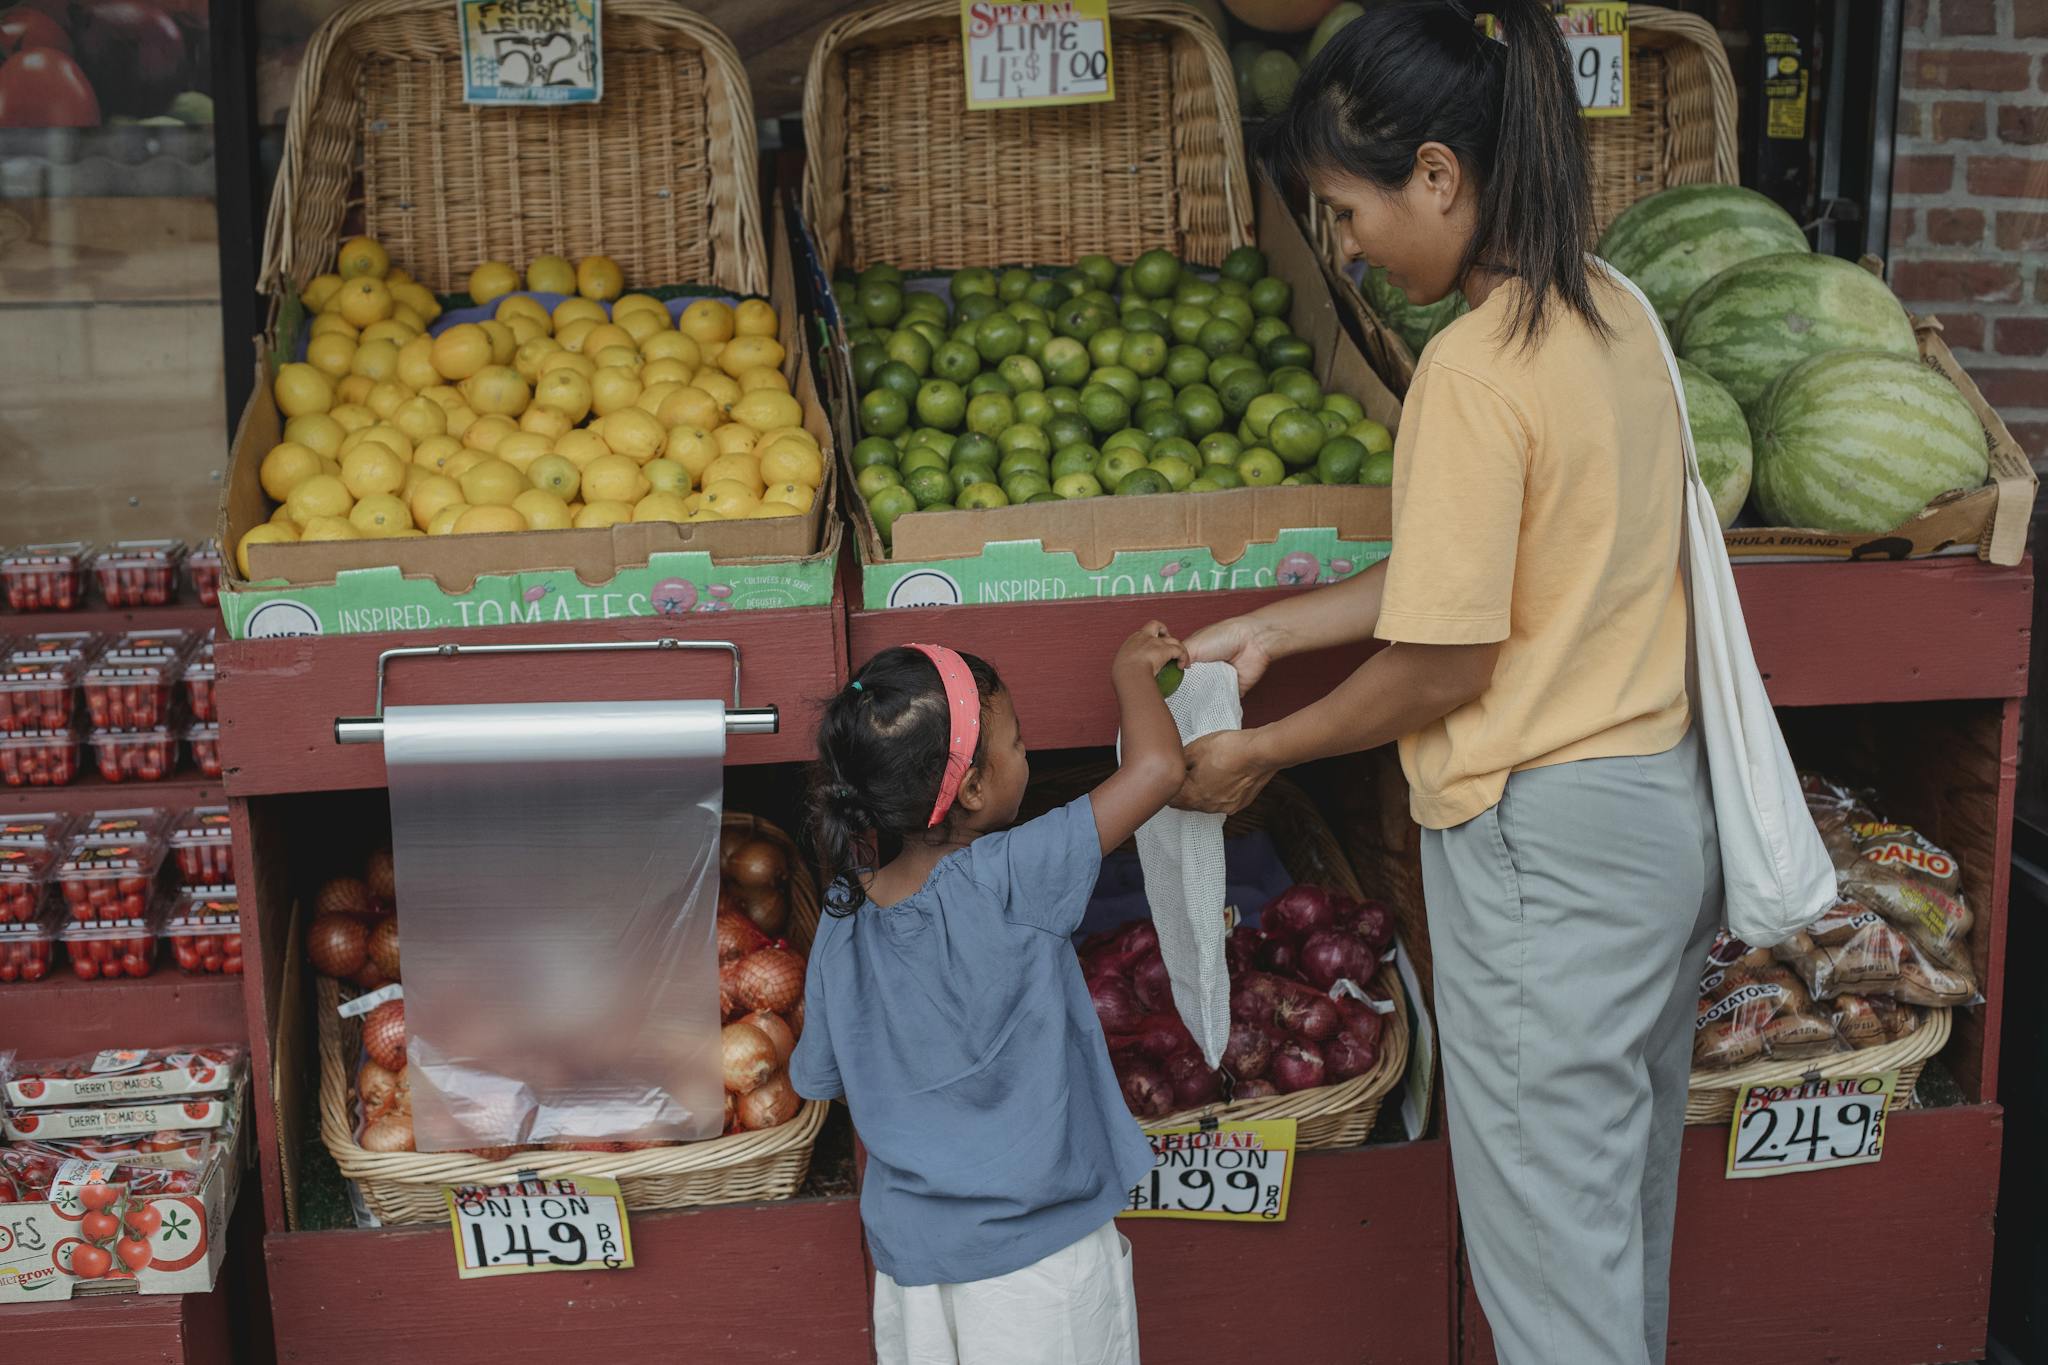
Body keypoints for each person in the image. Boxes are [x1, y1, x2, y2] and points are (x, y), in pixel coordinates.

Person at [1173, 3, 1722, 1362]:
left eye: (1346, 209)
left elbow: (1449, 657)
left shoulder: (1473, 373)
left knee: (1548, 1280)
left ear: (1438, 174)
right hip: (1654, 827)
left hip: (1549, 855)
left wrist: (1269, 750)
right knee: (1607, 1244)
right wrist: (1281, 629)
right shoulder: (1612, 319)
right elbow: (1483, 577)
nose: (1343, 245)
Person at [792, 624, 1189, 1365]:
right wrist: (1131, 670)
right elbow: (1161, 767)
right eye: (1018, 744)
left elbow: (823, 1078)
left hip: (914, 1272)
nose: (1025, 756)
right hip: (1040, 1267)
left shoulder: (844, 917)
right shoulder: (1014, 872)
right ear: (973, 786)